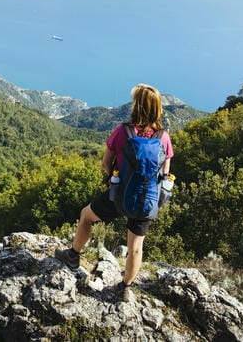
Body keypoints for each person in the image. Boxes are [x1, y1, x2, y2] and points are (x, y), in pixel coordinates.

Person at [54, 83, 174, 301]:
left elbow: (105, 164)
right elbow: (165, 174)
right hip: (145, 202)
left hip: (118, 197)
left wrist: (117, 180)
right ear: (158, 108)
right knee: (135, 247)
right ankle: (125, 287)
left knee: (86, 216)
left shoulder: (123, 131)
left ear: (136, 105)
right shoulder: (163, 137)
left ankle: (73, 256)